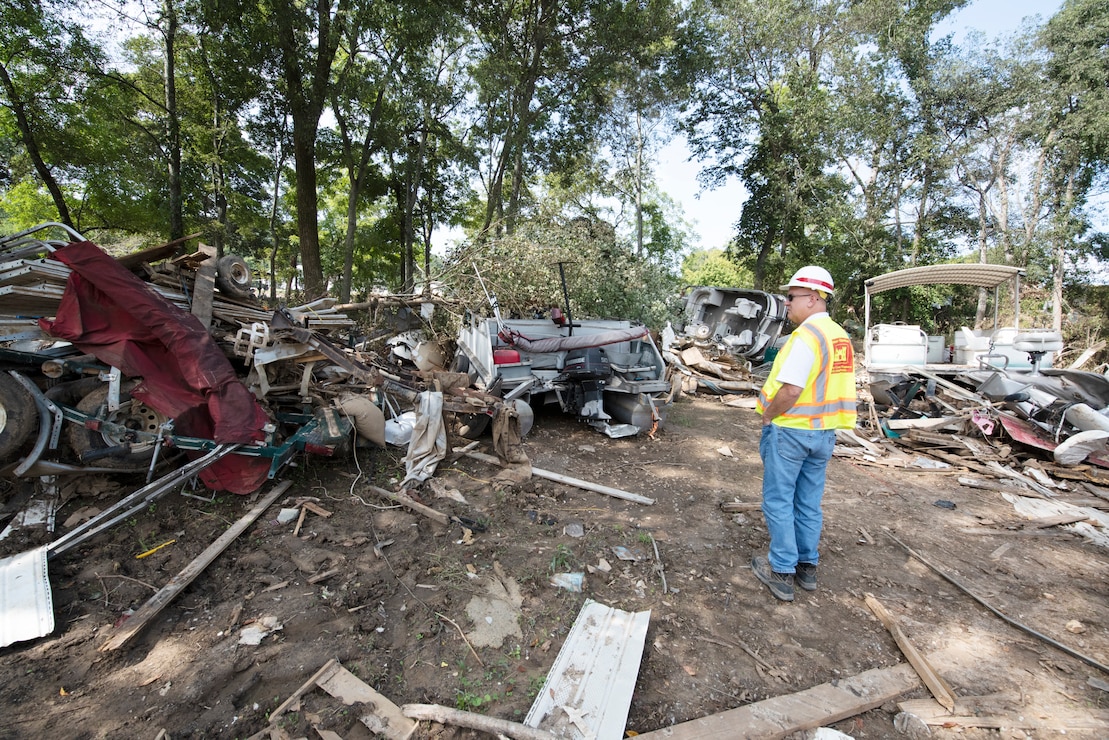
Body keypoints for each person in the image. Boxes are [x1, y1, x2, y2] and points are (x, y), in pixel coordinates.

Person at [752, 266, 857, 602]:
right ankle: (807, 568)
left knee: (779, 501)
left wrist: (768, 416)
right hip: (824, 433)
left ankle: (782, 571)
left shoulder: (806, 338)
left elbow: (792, 389)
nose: (786, 303)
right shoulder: (840, 337)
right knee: (809, 503)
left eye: (792, 297)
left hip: (792, 431)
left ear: (813, 299)